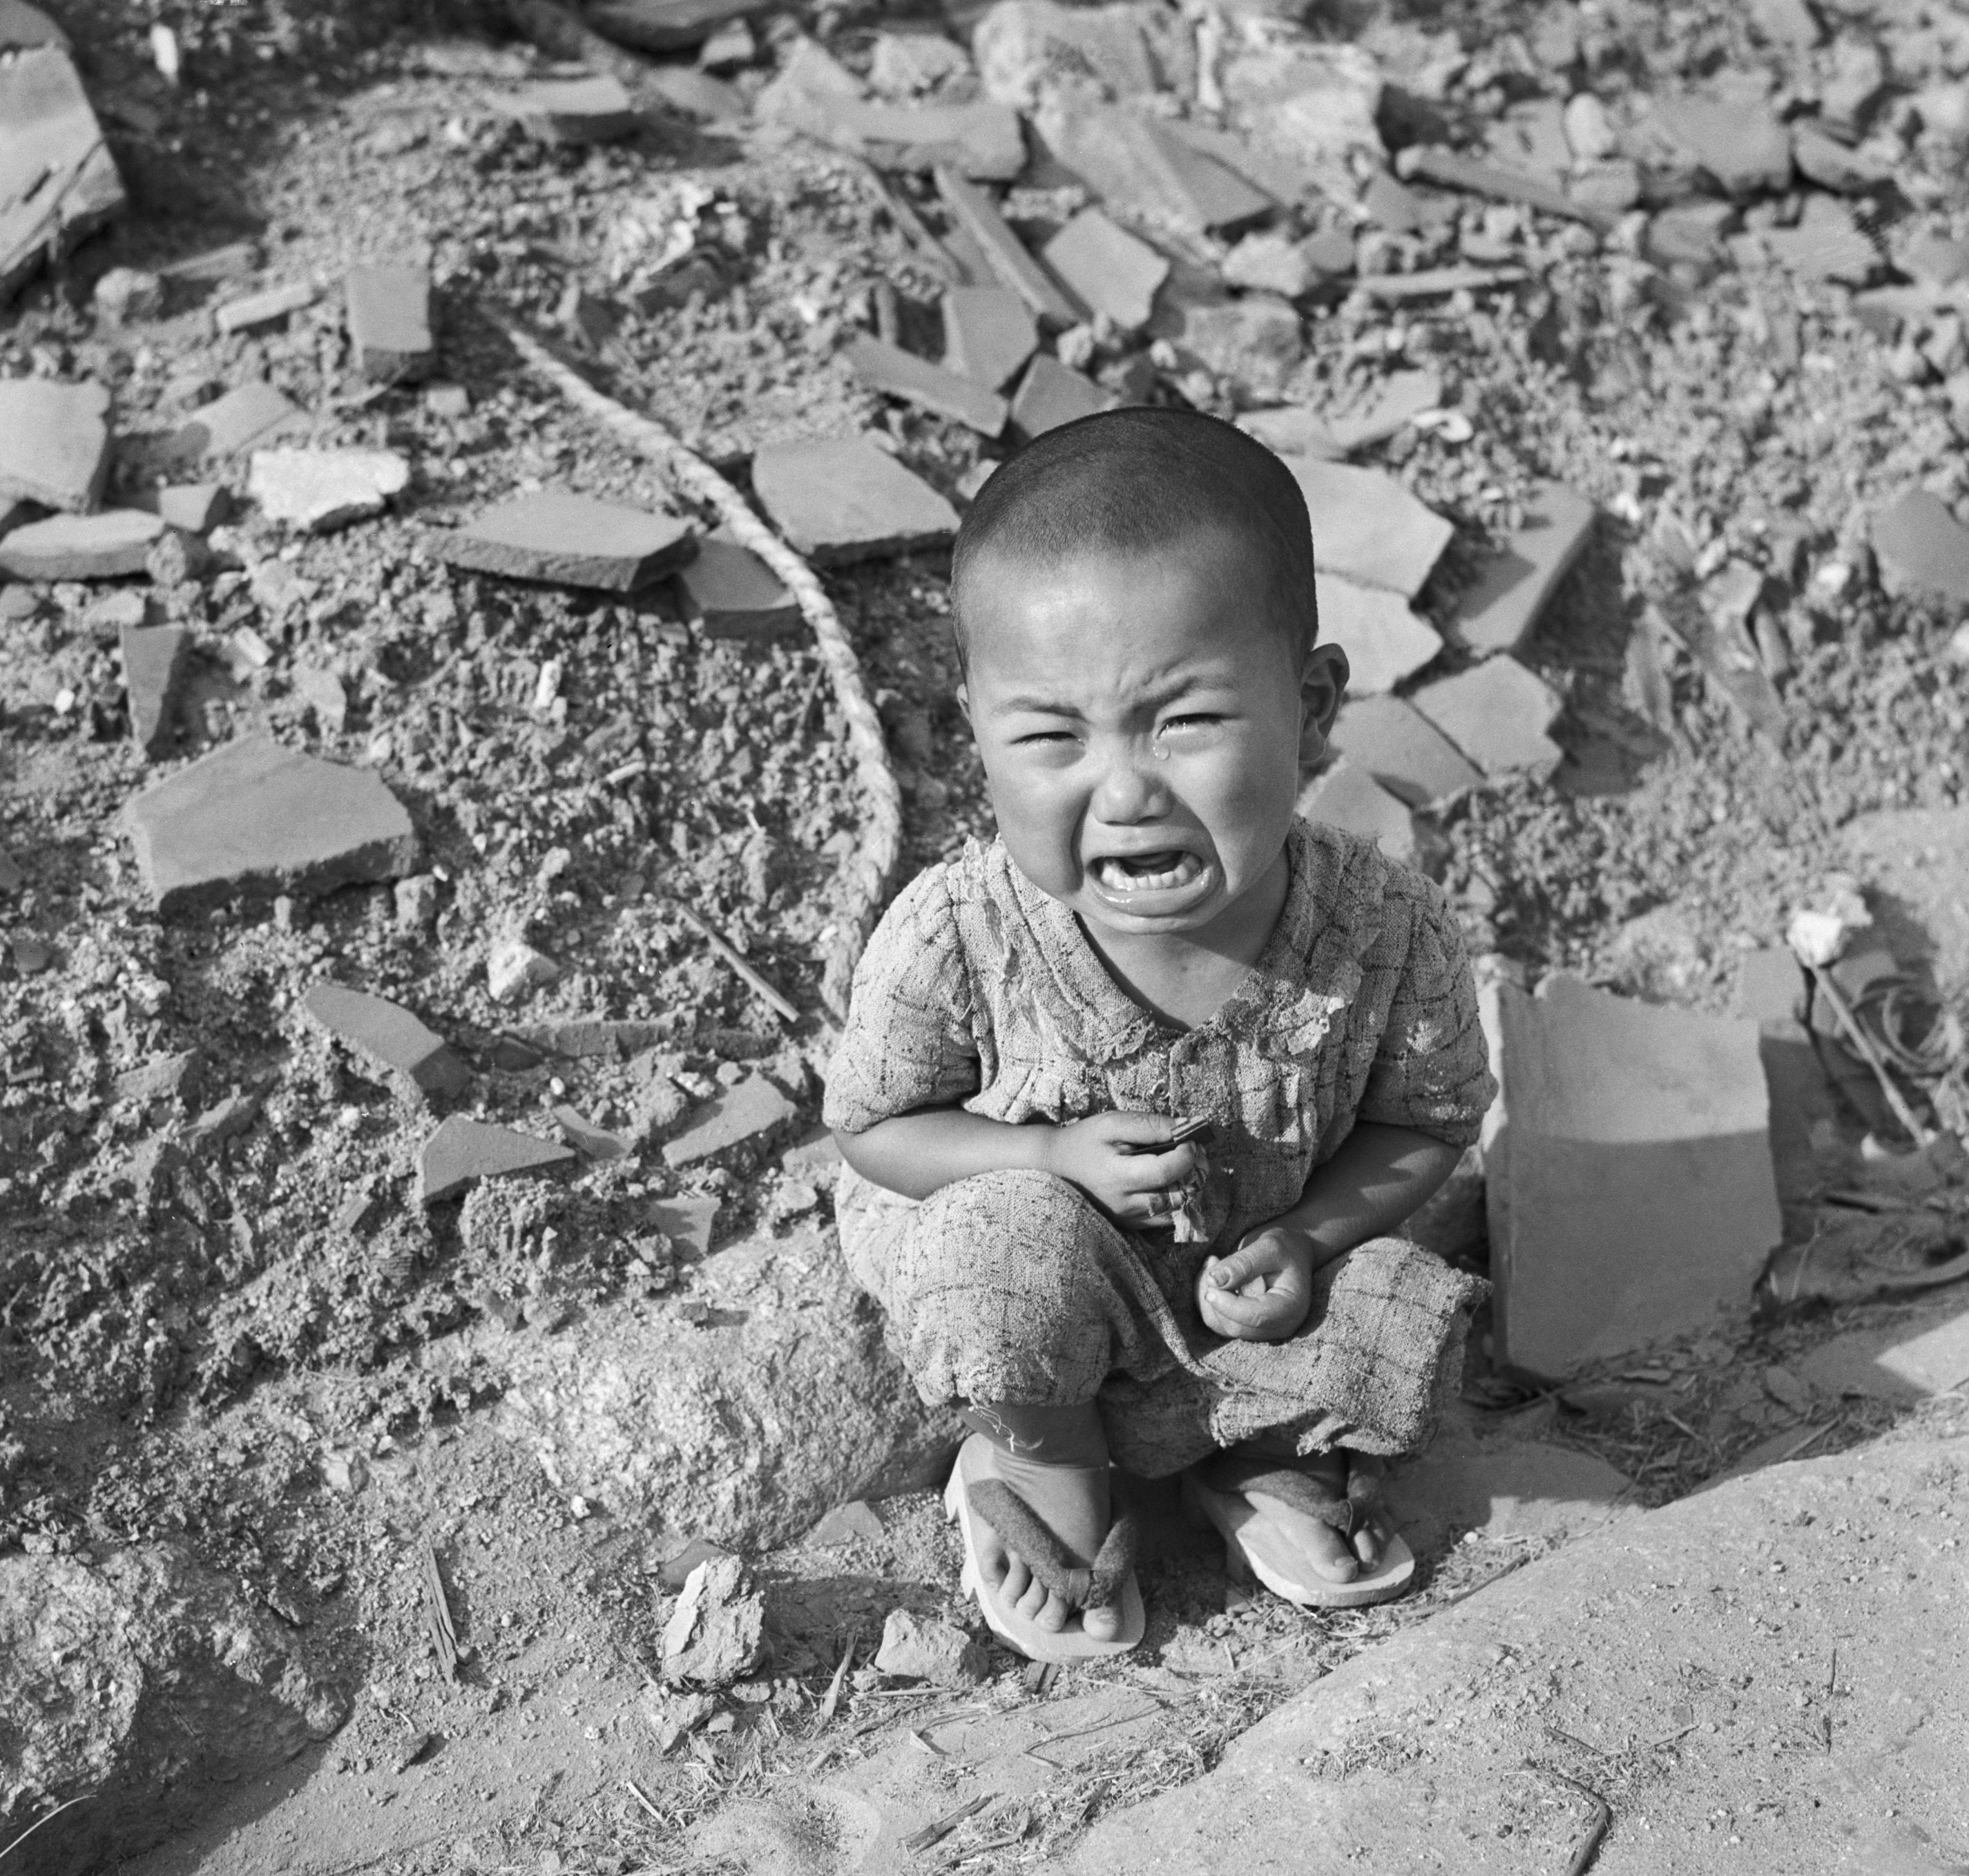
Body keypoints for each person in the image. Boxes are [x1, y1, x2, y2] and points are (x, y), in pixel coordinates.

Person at [823, 408, 1496, 1662]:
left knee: (1398, 1290)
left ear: (1310, 705)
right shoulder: (958, 931)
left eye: (1182, 722)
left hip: (1259, 1300)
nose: (1124, 790)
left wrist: (1309, 1235)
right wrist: (1051, 1162)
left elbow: (1429, 1126)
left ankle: (1254, 1459)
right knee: (1000, 1245)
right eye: (1050, 736)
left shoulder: (1385, 927)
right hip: (1059, 1302)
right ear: (974, 727)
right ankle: (1049, 1464)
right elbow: (876, 1134)